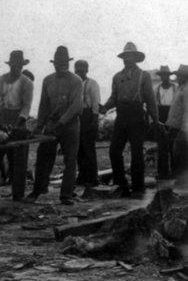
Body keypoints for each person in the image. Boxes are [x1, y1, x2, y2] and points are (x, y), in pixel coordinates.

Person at [100, 42, 162, 198]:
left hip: (137, 115)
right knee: (114, 150)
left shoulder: (144, 76)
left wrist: (156, 120)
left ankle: (138, 187)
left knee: (136, 153)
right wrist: (104, 107)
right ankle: (121, 184)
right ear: (123, 58)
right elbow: (113, 97)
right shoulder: (117, 76)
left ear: (135, 58)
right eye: (125, 56)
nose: (127, 59)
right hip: (121, 115)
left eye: (130, 56)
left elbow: (150, 100)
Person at [27, 46, 82, 205]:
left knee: (70, 160)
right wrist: (39, 125)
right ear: (54, 63)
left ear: (68, 63)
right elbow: (44, 105)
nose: (61, 66)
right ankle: (37, 190)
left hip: (70, 125)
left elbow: (76, 106)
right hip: (51, 124)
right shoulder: (47, 80)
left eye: (64, 63)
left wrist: (60, 123)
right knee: (43, 156)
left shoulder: (76, 81)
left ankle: (66, 195)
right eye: (58, 63)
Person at [0, 50, 34, 200]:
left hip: (19, 123)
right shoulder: (0, 80)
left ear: (22, 66)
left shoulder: (27, 83)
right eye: (14, 65)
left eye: (19, 65)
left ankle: (17, 196)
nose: (16, 68)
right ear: (10, 64)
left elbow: (26, 106)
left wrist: (17, 124)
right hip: (2, 120)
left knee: (18, 162)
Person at [74, 60, 101, 196]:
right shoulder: (74, 83)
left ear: (87, 70)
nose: (79, 72)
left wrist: (94, 120)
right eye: (77, 70)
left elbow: (95, 102)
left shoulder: (92, 84)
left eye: (82, 70)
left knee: (88, 147)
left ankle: (92, 178)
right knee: (79, 149)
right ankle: (82, 176)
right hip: (77, 116)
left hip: (88, 116)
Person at [154, 65, 178, 179]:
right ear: (160, 76)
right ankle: (162, 173)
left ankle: (174, 172)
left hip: (172, 116)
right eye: (162, 75)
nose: (164, 77)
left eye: (166, 75)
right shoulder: (157, 89)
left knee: (173, 146)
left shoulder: (175, 88)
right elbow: (154, 105)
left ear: (169, 76)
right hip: (161, 118)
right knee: (162, 146)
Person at [166, 64, 188, 178]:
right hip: (173, 127)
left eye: (181, 76)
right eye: (178, 75)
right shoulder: (179, 88)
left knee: (179, 156)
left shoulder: (186, 90)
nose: (178, 78)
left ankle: (181, 184)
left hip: (181, 130)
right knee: (174, 155)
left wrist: (183, 131)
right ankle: (177, 182)